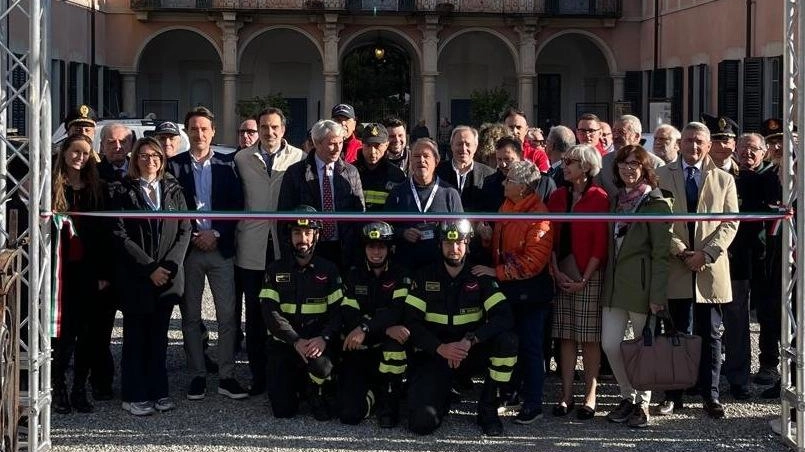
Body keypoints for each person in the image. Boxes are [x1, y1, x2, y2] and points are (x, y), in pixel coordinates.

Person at [655, 121, 738, 419]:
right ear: (679, 143)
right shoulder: (662, 174)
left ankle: (710, 395)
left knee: (711, 334)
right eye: (688, 140)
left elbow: (731, 222)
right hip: (677, 264)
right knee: (676, 332)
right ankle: (673, 395)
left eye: (699, 141)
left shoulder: (724, 179)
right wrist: (680, 250)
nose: (693, 146)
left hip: (709, 268)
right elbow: (660, 220)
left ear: (708, 145)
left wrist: (706, 254)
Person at [404, 220, 518, 436]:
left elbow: (504, 317)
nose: (454, 249)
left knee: (508, 340)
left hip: (468, 352)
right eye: (448, 242)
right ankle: (443, 392)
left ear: (467, 244)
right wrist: (440, 348)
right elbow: (411, 323)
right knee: (421, 423)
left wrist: (472, 339)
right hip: (435, 355)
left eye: (459, 243)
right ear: (439, 245)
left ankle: (488, 408)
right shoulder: (424, 275)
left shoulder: (479, 276)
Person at [166, 106, 248, 401]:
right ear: (186, 132)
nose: (199, 133)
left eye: (204, 129)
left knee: (227, 316)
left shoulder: (229, 165)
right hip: (189, 251)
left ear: (213, 132)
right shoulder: (173, 166)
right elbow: (172, 208)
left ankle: (226, 375)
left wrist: (216, 234)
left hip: (221, 249)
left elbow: (238, 204)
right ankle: (197, 375)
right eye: (194, 129)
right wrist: (195, 235)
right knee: (190, 316)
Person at [109, 137, 191, 416]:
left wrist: (168, 266)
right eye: (144, 155)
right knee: (135, 337)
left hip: (167, 278)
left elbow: (184, 230)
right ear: (135, 159)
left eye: (155, 155)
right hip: (137, 277)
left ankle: (159, 390)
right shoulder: (123, 190)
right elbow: (119, 234)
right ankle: (134, 393)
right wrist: (149, 268)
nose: (150, 160)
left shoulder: (173, 189)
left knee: (159, 338)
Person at [472, 161, 554, 424]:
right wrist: (486, 237)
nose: (504, 183)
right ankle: (511, 392)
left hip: (530, 294)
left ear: (523, 188)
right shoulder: (507, 206)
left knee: (531, 347)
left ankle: (534, 403)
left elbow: (532, 262)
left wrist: (495, 272)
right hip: (510, 289)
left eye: (509, 181)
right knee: (512, 342)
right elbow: (500, 244)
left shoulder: (539, 215)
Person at [600, 144, 672, 429]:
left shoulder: (656, 203)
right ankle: (627, 395)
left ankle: (642, 403)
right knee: (610, 344)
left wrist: (657, 295)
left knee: (644, 348)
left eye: (634, 164)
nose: (628, 169)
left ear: (645, 169)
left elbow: (661, 253)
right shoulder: (616, 201)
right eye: (623, 164)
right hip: (615, 286)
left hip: (643, 288)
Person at [235, 107, 306, 394]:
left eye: (274, 127)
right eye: (264, 127)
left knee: (284, 312)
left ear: (283, 129)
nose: (269, 132)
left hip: (282, 246)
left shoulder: (298, 157)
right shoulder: (241, 159)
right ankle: (258, 375)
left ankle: (286, 372)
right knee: (254, 313)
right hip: (251, 245)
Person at [259, 206, 343, 421]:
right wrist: (295, 340)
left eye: (307, 233)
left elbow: (338, 313)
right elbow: (271, 314)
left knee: (322, 367)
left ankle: (316, 391)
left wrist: (324, 338)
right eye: (297, 233)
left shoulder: (329, 270)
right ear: (289, 236)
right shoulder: (275, 270)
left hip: (317, 345)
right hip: (286, 345)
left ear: (316, 236)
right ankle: (299, 385)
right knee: (283, 411)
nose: (302, 239)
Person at [546, 144, 609, 420]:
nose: (564, 165)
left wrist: (585, 278)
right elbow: (546, 235)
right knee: (566, 336)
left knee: (590, 338)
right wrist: (553, 269)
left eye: (570, 161)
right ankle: (566, 394)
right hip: (561, 272)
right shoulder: (558, 196)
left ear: (585, 166)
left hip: (589, 274)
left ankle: (590, 395)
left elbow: (601, 243)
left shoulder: (599, 197)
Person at [50, 134, 109, 414]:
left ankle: (79, 388)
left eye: (85, 153)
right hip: (58, 272)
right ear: (64, 153)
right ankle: (57, 384)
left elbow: (105, 235)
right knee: (61, 333)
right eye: (75, 151)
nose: (80, 157)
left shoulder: (97, 189)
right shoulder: (50, 187)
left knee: (87, 332)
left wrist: (103, 273)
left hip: (89, 268)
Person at [721, 133, 778, 400]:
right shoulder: (731, 177)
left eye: (753, 149)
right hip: (738, 256)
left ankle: (770, 364)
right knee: (736, 316)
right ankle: (738, 374)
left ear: (764, 152)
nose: (748, 154)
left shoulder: (774, 177)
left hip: (767, 257)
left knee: (769, 313)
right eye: (743, 149)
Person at [338, 222, 411, 428]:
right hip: (360, 349)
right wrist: (382, 327)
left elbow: (397, 311)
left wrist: (365, 327)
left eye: (381, 246)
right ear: (364, 248)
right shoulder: (353, 274)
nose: (376, 252)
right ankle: (375, 392)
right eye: (371, 246)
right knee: (349, 415)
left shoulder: (401, 274)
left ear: (390, 248)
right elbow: (349, 314)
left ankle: (390, 399)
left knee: (395, 346)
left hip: (384, 347)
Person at [277, 119, 365, 269]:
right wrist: (289, 255)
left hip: (342, 249)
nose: (338, 148)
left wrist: (356, 253)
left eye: (341, 142)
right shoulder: (296, 173)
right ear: (317, 143)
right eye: (332, 143)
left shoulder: (351, 172)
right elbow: (284, 217)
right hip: (308, 248)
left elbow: (359, 214)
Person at [385, 138, 463, 269]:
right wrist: (402, 233)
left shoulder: (450, 193)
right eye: (416, 156)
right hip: (405, 264)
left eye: (426, 156)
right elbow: (386, 228)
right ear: (411, 162)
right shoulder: (397, 192)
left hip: (440, 266)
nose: (421, 160)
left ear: (436, 161)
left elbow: (461, 233)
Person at [599, 115, 663, 199]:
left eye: (621, 132)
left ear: (636, 136)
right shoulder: (604, 161)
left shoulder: (655, 163)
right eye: (614, 132)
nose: (615, 136)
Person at [435, 125, 495, 212]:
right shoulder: (437, 172)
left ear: (475, 147)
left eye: (468, 144)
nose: (463, 149)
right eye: (459, 144)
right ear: (451, 146)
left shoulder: (489, 174)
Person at [354, 123, 406, 211]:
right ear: (362, 144)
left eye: (377, 145)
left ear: (386, 145)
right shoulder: (350, 172)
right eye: (368, 145)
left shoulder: (396, 175)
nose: (372, 151)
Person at [501, 107, 549, 171]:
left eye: (518, 127)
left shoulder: (538, 155)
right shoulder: (496, 153)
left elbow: (544, 179)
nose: (515, 131)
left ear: (526, 130)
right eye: (510, 127)